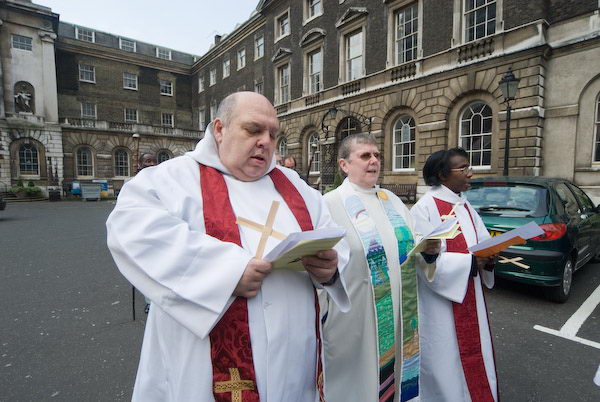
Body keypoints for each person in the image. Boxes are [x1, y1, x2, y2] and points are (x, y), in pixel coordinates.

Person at [106, 91, 350, 401]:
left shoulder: (295, 186)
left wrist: (330, 267)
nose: (265, 141)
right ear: (220, 129)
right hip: (205, 364)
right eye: (253, 130)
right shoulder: (172, 179)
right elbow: (130, 229)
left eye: (273, 134)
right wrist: (228, 271)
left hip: (295, 360)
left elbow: (332, 237)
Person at [321, 133, 439, 402]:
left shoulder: (391, 200)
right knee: (356, 386)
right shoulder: (329, 205)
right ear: (344, 165)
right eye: (365, 156)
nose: (374, 161)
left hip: (398, 313)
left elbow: (410, 247)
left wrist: (428, 251)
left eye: (376, 155)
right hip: (355, 320)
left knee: (393, 379)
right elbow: (320, 265)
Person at [410, 148, 499, 402]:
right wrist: (471, 263)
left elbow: (481, 242)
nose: (471, 173)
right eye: (463, 168)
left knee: (475, 357)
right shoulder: (424, 208)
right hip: (442, 306)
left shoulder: (464, 204)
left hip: (470, 294)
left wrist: (490, 257)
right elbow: (423, 260)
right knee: (445, 363)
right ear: (442, 174)